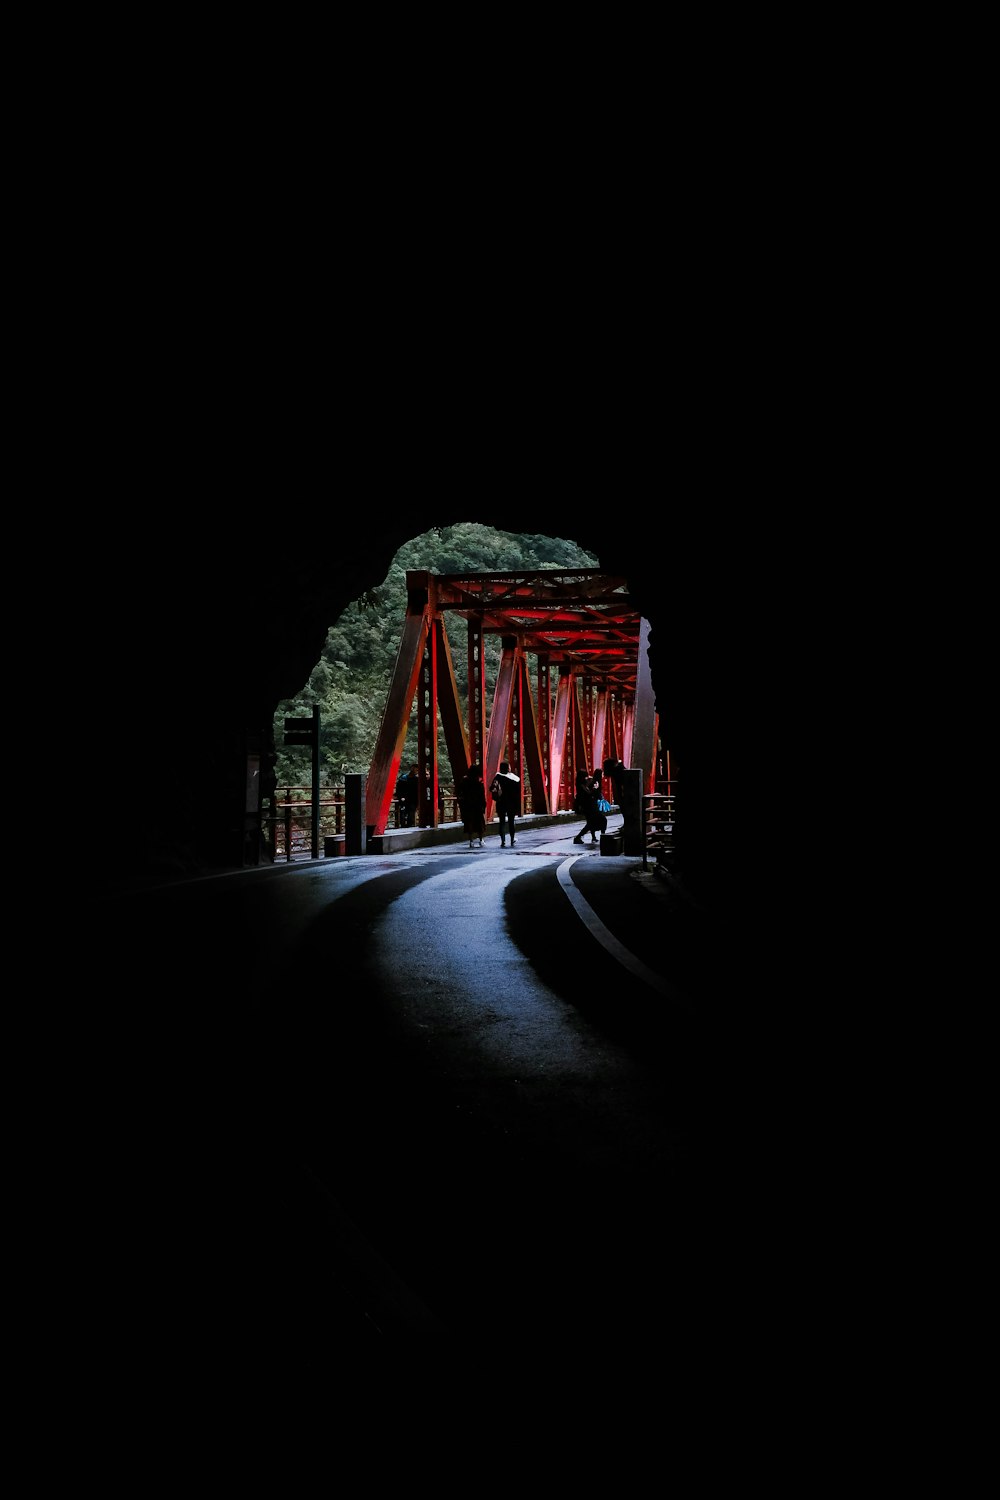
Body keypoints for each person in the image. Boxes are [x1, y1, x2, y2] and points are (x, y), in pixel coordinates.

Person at [489, 760, 521, 847]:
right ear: (508, 768)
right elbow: (518, 792)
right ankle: (512, 839)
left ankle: (503, 841)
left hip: (501, 802)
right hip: (511, 803)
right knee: (511, 821)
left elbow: (491, 788)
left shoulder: (497, 777)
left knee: (502, 822)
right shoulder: (515, 779)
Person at [572, 766, 607, 845]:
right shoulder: (582, 786)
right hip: (589, 807)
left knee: (591, 823)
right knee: (600, 820)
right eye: (585, 777)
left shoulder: (582, 785)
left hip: (588, 807)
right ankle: (578, 837)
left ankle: (580, 837)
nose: (586, 778)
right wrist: (595, 789)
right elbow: (588, 795)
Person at [457, 763, 487, 848]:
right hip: (477, 805)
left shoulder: (464, 781)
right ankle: (481, 840)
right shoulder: (479, 782)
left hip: (467, 805)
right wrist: (483, 805)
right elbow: (482, 795)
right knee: (479, 822)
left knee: (469, 822)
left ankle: (471, 841)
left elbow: (460, 792)